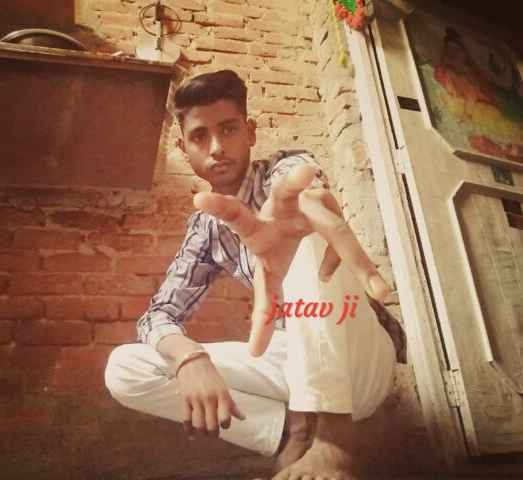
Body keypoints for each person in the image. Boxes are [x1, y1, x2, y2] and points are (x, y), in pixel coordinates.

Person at [104, 69, 405, 480]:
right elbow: (158, 315)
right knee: (125, 368)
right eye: (199, 136)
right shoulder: (206, 229)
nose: (216, 148)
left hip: (357, 361)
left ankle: (334, 440)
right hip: (293, 364)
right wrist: (189, 357)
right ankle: (288, 435)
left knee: (300, 231)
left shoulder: (285, 169)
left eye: (228, 130)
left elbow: (299, 180)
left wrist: (301, 202)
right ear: (182, 148)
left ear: (249, 132)